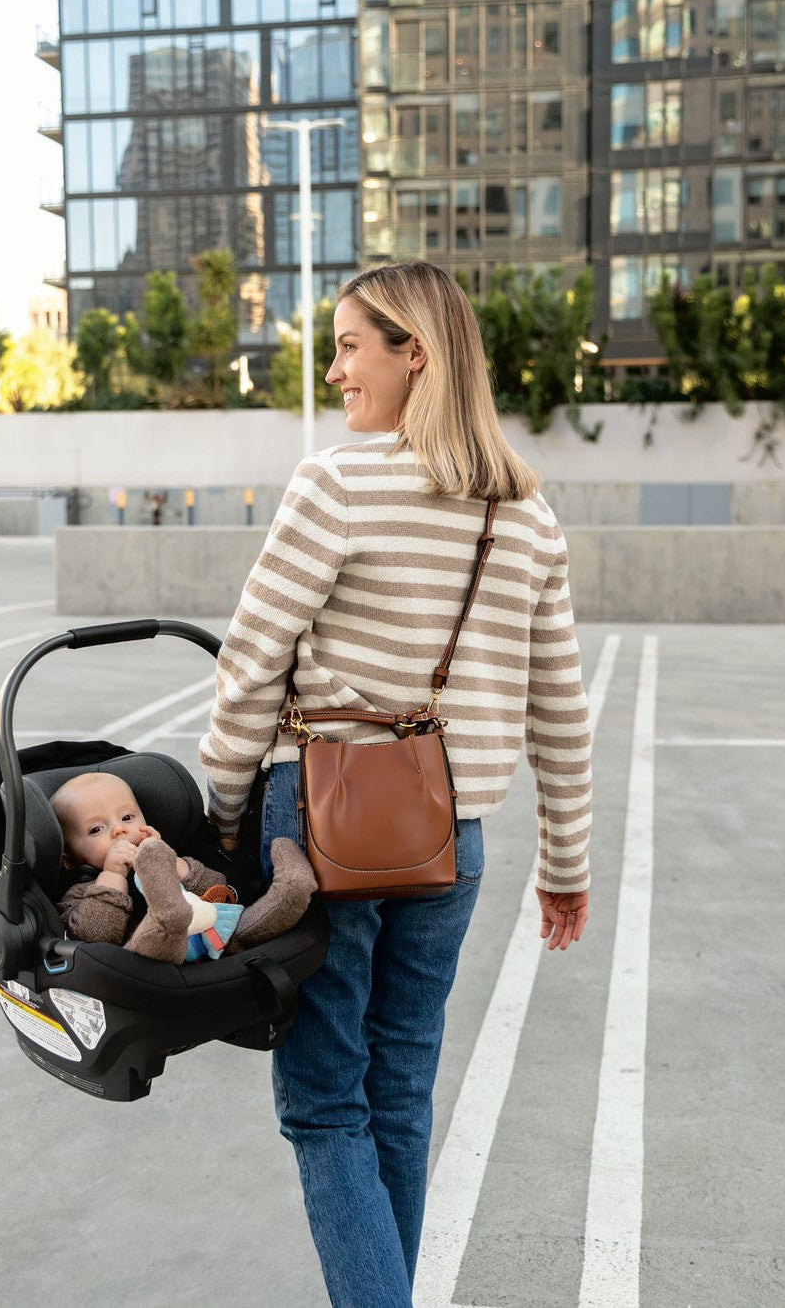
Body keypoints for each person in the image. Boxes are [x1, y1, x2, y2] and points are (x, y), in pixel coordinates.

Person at [199, 260, 592, 1307]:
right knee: (401, 1090)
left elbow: (249, 668)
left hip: (318, 829)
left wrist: (227, 819)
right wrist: (565, 862)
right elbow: (559, 707)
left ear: (413, 351)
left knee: (325, 1101)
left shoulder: (335, 483)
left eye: (347, 346)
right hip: (449, 838)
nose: (334, 372)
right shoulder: (527, 513)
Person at [50, 771, 315, 963]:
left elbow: (221, 891)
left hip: (213, 938)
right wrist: (113, 875)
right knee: (161, 930)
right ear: (70, 858)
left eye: (127, 817)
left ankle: (291, 890)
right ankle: (168, 917)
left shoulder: (169, 854)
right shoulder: (80, 892)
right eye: (96, 829)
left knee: (250, 924)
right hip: (142, 963)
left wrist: (168, 862)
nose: (119, 830)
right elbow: (97, 937)